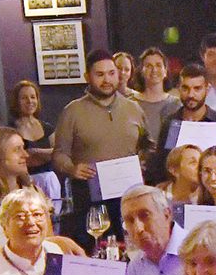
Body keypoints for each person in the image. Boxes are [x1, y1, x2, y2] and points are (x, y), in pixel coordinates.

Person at [51, 51, 153, 231]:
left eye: (111, 73)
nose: (107, 80)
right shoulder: (72, 112)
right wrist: (72, 168)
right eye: (100, 74)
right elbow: (59, 154)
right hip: (89, 198)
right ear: (87, 77)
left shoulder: (133, 108)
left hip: (129, 196)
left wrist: (144, 160)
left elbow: (148, 145)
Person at [156, 62, 216, 172]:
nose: (191, 94)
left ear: (207, 89)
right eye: (185, 88)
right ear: (179, 88)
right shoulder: (170, 124)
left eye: (197, 88)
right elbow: (162, 165)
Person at [121, 183, 189, 275]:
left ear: (167, 215)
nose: (138, 228)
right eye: (130, 220)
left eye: (145, 215)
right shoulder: (135, 267)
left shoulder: (197, 250)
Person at [8, 78, 54, 173]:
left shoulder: (48, 128)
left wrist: (36, 152)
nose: (29, 101)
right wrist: (46, 154)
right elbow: (16, 160)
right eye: (24, 98)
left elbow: (59, 154)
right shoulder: (10, 131)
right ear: (16, 101)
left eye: (33, 97)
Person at [132, 46, 179, 136]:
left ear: (165, 71)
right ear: (141, 71)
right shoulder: (131, 103)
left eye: (158, 65)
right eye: (149, 66)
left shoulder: (176, 104)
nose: (154, 70)